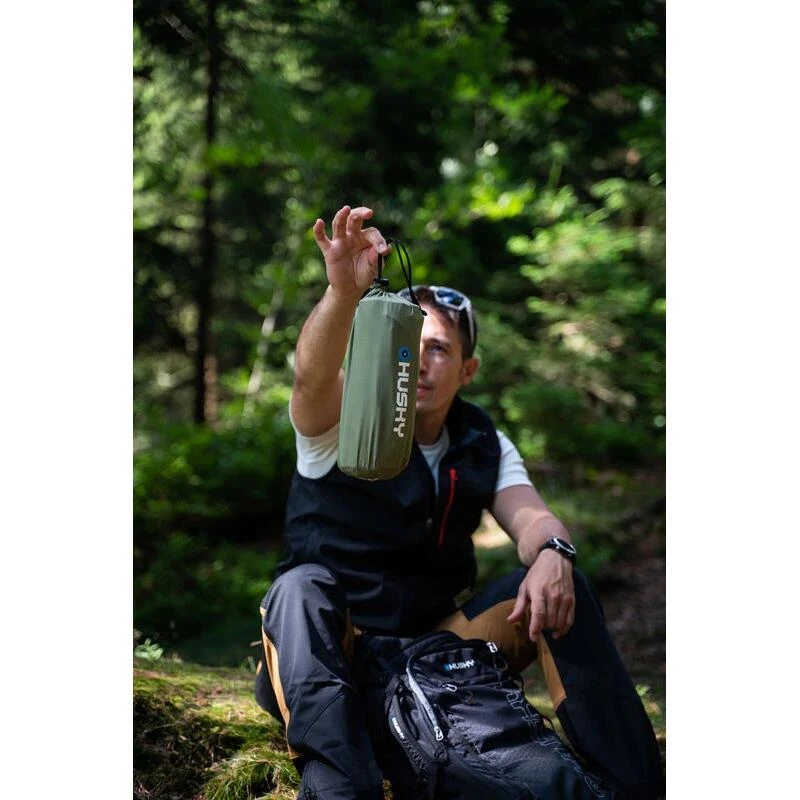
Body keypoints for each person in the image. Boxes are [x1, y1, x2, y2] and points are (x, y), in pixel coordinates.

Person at [255, 205, 664, 800]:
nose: (419, 359)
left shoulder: (482, 441)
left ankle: (633, 782)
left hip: (434, 647)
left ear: (467, 369)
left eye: (439, 348)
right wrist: (343, 294)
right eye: (410, 341)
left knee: (559, 581)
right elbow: (310, 378)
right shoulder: (344, 415)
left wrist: (554, 550)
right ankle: (340, 786)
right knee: (299, 589)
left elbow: (532, 517)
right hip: (329, 648)